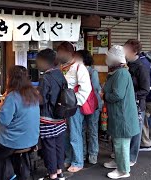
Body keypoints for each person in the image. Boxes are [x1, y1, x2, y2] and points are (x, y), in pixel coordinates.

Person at [0, 66, 40, 180]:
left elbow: (4, 121)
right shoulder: (33, 93)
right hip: (32, 140)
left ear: (11, 79)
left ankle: (3, 175)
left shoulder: (13, 96)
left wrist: (1, 107)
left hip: (13, 142)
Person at [102, 45, 140, 179]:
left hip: (122, 115)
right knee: (118, 142)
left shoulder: (121, 73)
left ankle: (123, 170)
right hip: (119, 114)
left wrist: (104, 95)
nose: (106, 58)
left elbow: (117, 95)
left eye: (108, 56)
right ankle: (118, 162)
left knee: (121, 143)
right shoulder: (118, 72)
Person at [57, 42, 92, 173]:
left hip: (74, 107)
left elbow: (86, 88)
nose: (60, 55)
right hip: (63, 107)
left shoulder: (79, 67)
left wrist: (75, 102)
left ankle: (78, 161)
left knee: (75, 134)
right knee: (65, 133)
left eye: (62, 53)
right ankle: (69, 158)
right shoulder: (62, 67)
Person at [37, 49, 67, 180]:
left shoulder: (45, 78)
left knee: (49, 147)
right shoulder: (60, 74)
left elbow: (41, 100)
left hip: (47, 117)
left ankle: (52, 174)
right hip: (60, 116)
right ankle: (59, 171)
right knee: (59, 145)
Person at [123, 40, 150, 166]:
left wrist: (129, 95)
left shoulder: (142, 67)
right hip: (126, 104)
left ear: (134, 52)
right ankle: (123, 155)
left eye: (126, 49)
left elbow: (145, 89)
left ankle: (131, 157)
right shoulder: (126, 64)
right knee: (126, 130)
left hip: (138, 104)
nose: (123, 51)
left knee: (135, 132)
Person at [75, 50, 102, 165]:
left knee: (89, 130)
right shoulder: (78, 71)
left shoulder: (91, 72)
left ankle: (91, 154)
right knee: (87, 130)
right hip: (83, 104)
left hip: (90, 105)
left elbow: (95, 89)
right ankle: (88, 154)